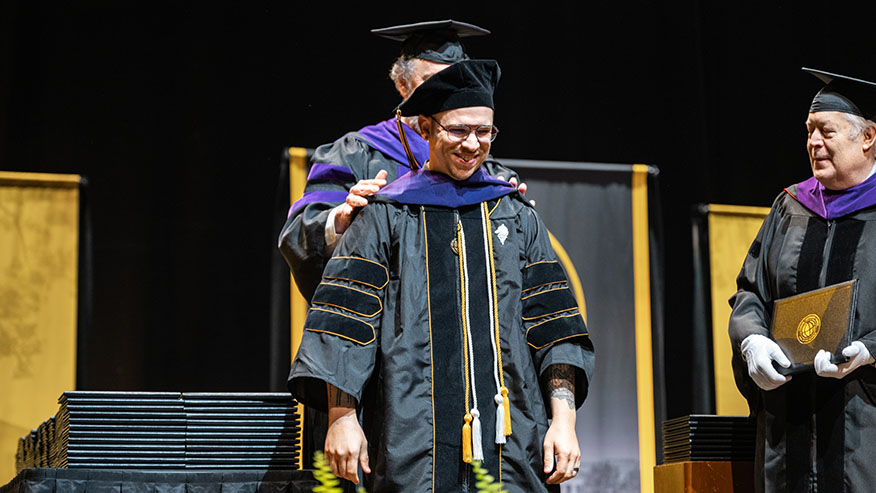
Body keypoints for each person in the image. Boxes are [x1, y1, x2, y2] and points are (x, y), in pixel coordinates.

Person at [288, 59, 594, 492]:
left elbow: (555, 324)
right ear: (426, 129)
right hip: (409, 439)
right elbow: (346, 324)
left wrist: (564, 421)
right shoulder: (386, 215)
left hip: (513, 443)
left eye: (484, 132)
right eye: (458, 130)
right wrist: (342, 419)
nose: (472, 144)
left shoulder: (515, 215)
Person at [279, 20, 525, 302]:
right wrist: (340, 220)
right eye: (431, 83)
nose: (445, 95)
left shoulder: (484, 166)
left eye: (454, 82)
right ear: (402, 85)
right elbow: (298, 234)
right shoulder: (356, 152)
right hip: (389, 322)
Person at [729, 67, 876, 492]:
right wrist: (751, 340)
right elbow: (751, 292)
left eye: (826, 131)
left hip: (864, 431)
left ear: (867, 138)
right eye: (809, 130)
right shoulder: (790, 208)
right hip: (788, 428)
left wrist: (869, 350)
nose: (813, 142)